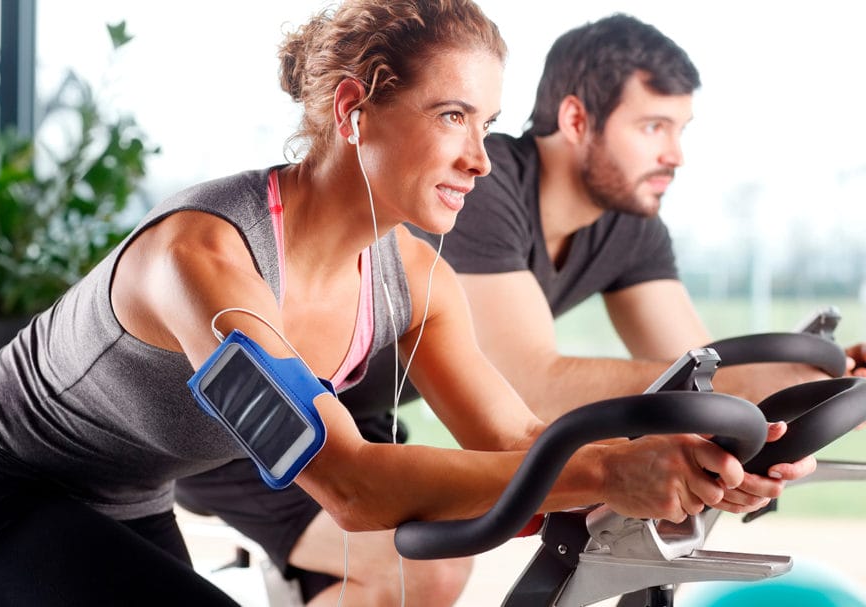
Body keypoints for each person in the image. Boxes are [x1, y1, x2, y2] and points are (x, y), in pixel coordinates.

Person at [171, 10, 815, 607]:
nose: (478, 159)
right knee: (423, 565)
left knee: (436, 563)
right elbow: (359, 483)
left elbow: (524, 437)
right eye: (453, 115)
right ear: (354, 110)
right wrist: (612, 467)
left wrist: (697, 458)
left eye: (485, 124)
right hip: (200, 459)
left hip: (321, 439)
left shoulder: (422, 271)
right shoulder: (208, 251)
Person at [425, 12, 866, 421]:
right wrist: (750, 385)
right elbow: (529, 385)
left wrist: (824, 383)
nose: (676, 155)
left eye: (681, 129)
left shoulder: (631, 225)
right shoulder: (479, 184)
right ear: (576, 120)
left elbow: (698, 364)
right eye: (653, 127)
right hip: (356, 426)